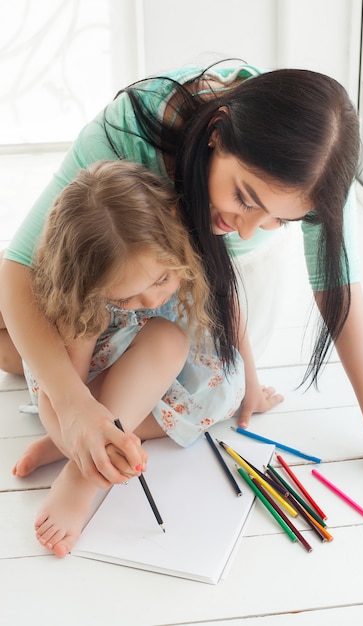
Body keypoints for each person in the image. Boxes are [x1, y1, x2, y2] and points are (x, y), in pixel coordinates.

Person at [1, 62, 363, 513]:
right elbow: (21, 266)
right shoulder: (135, 129)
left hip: (163, 310)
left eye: (278, 221)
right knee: (28, 333)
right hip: (91, 284)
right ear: (215, 133)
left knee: (214, 381)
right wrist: (74, 406)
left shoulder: (317, 172)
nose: (246, 233)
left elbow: (338, 291)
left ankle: (80, 426)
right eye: (243, 198)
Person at [13, 159, 250, 556]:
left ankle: (94, 442)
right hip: (87, 386)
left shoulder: (189, 249)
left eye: (161, 280)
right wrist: (71, 435)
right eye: (124, 298)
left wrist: (254, 387)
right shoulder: (86, 300)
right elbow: (64, 398)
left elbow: (232, 318)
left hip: (143, 378)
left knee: (225, 388)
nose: (154, 300)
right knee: (167, 341)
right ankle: (83, 474)